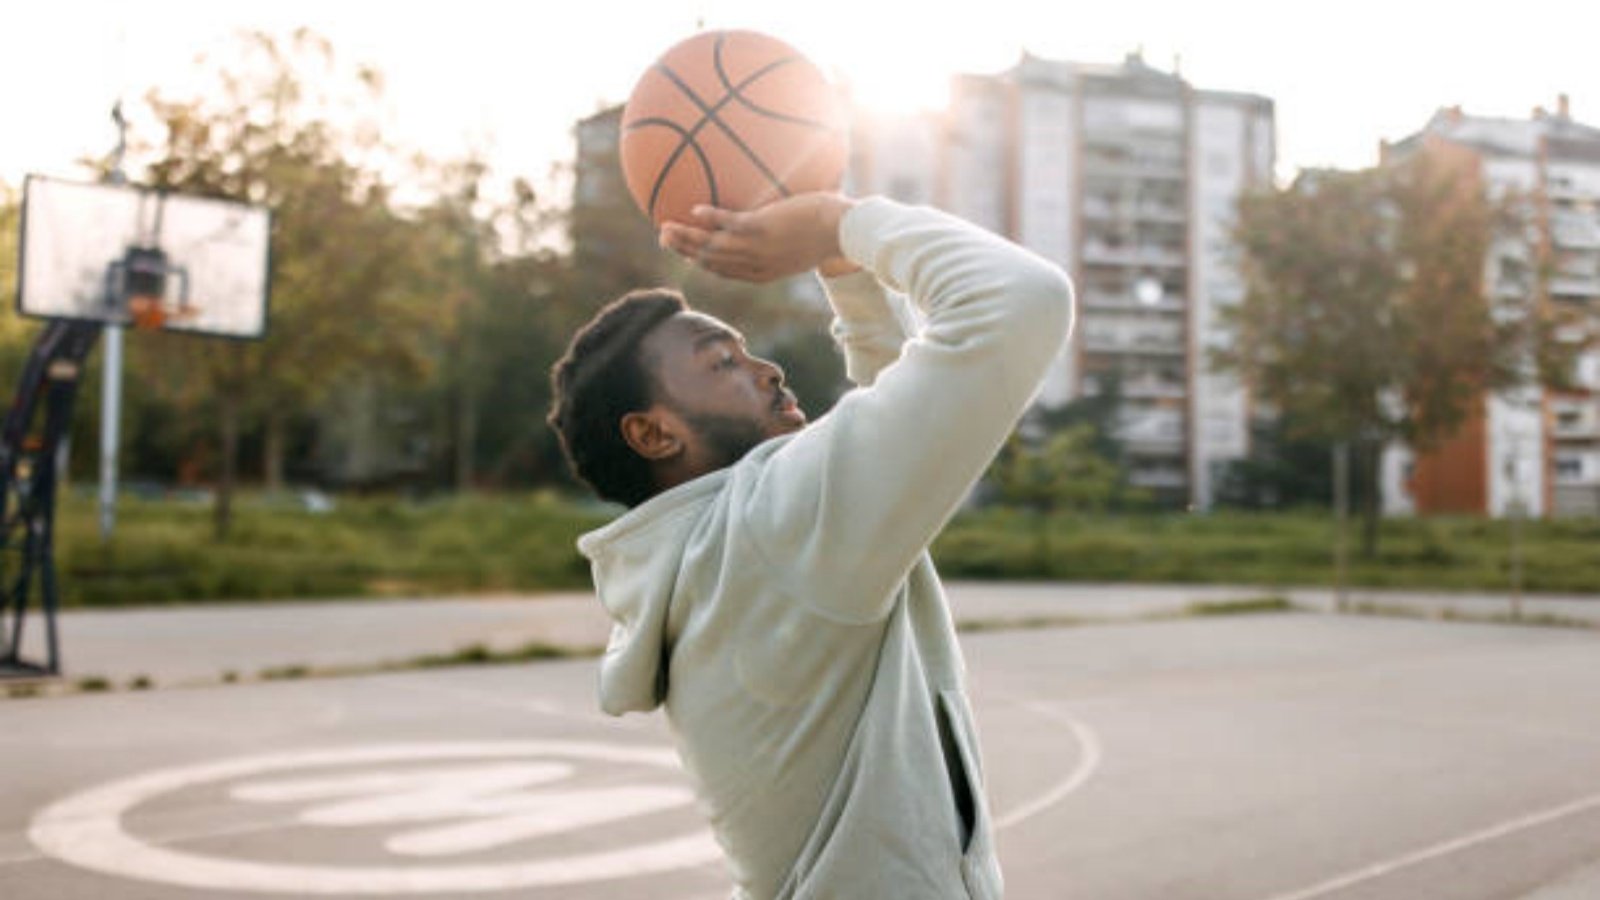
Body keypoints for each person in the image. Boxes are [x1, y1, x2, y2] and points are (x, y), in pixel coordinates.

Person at [547, 192, 1074, 899]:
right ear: (653, 434)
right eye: (720, 363)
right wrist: (838, 221)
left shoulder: (704, 558)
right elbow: (1022, 299)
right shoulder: (772, 526)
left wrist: (843, 269)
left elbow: (897, 414)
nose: (767, 370)